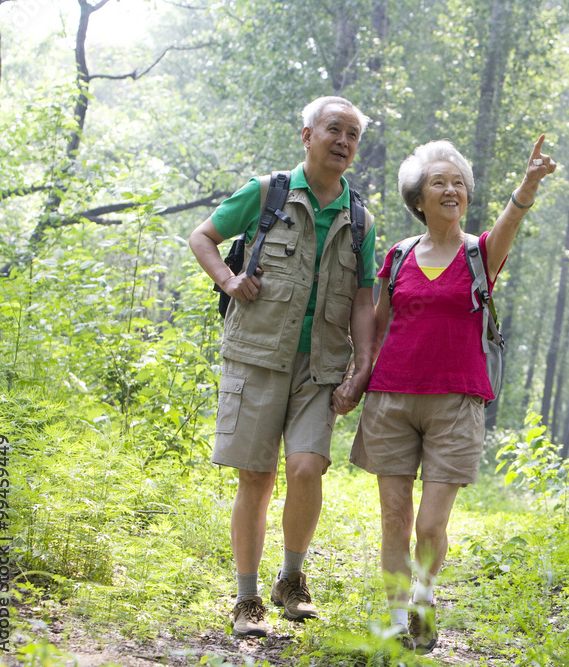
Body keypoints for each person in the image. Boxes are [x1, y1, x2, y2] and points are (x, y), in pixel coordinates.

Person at [350, 136, 556, 653]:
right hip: (391, 398)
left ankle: (424, 595)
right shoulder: (397, 257)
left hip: (458, 401)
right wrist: (358, 377)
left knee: (430, 522)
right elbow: (377, 326)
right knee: (395, 519)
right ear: (417, 199)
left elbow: (510, 221)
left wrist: (527, 185)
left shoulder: (479, 254)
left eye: (458, 183)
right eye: (438, 182)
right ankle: (399, 617)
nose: (451, 189)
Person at [188, 96, 376, 638]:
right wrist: (228, 279)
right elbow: (203, 237)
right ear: (307, 135)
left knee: (306, 467)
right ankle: (247, 599)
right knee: (257, 476)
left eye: (353, 136)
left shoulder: (359, 217)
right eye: (334, 130)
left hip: (321, 366)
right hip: (257, 356)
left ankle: (291, 579)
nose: (343, 142)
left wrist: (363, 364)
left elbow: (364, 298)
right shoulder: (267, 193)